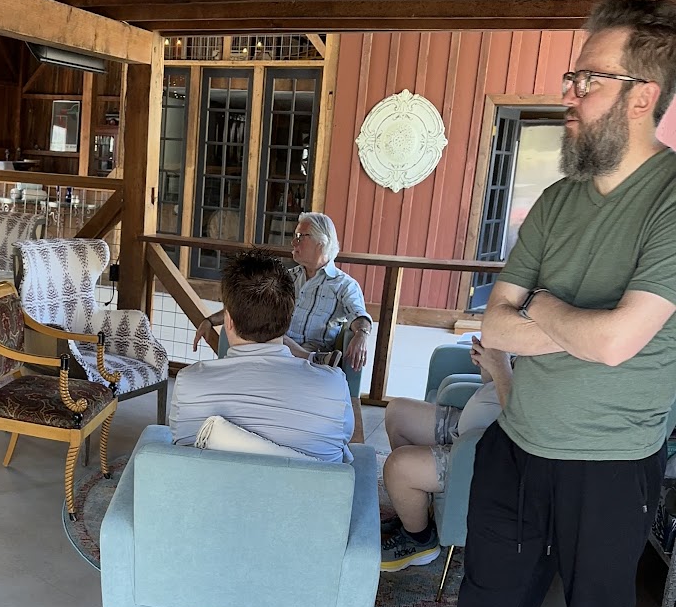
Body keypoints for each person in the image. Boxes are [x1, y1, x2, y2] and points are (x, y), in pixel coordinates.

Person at [335, 0, 676, 607]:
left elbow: (617, 342)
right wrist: (568, 320)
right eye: (572, 76)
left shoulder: (671, 202)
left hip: (612, 460)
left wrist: (545, 314)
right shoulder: (557, 202)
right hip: (519, 444)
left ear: (641, 94)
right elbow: (493, 323)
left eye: (588, 78)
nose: (569, 92)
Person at [192, 213, 373, 440]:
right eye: (294, 236)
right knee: (269, 336)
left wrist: (361, 334)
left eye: (300, 236)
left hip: (309, 347)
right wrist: (210, 320)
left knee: (274, 340)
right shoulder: (286, 277)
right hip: (276, 346)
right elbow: (246, 306)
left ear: (321, 242)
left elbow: (359, 315)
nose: (293, 242)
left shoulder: (344, 285)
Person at [166, 250, 355, 463]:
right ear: (288, 318)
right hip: (312, 485)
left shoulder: (189, 382)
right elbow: (341, 445)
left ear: (228, 321)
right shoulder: (333, 385)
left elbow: (180, 445)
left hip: (208, 484)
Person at [378, 339, 513, 571]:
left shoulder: (561, 363)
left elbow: (523, 422)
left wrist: (500, 366)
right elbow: (494, 385)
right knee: (397, 413)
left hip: (484, 451)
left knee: (398, 467)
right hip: (469, 427)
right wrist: (488, 364)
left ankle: (419, 540)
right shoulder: (536, 345)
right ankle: (414, 513)